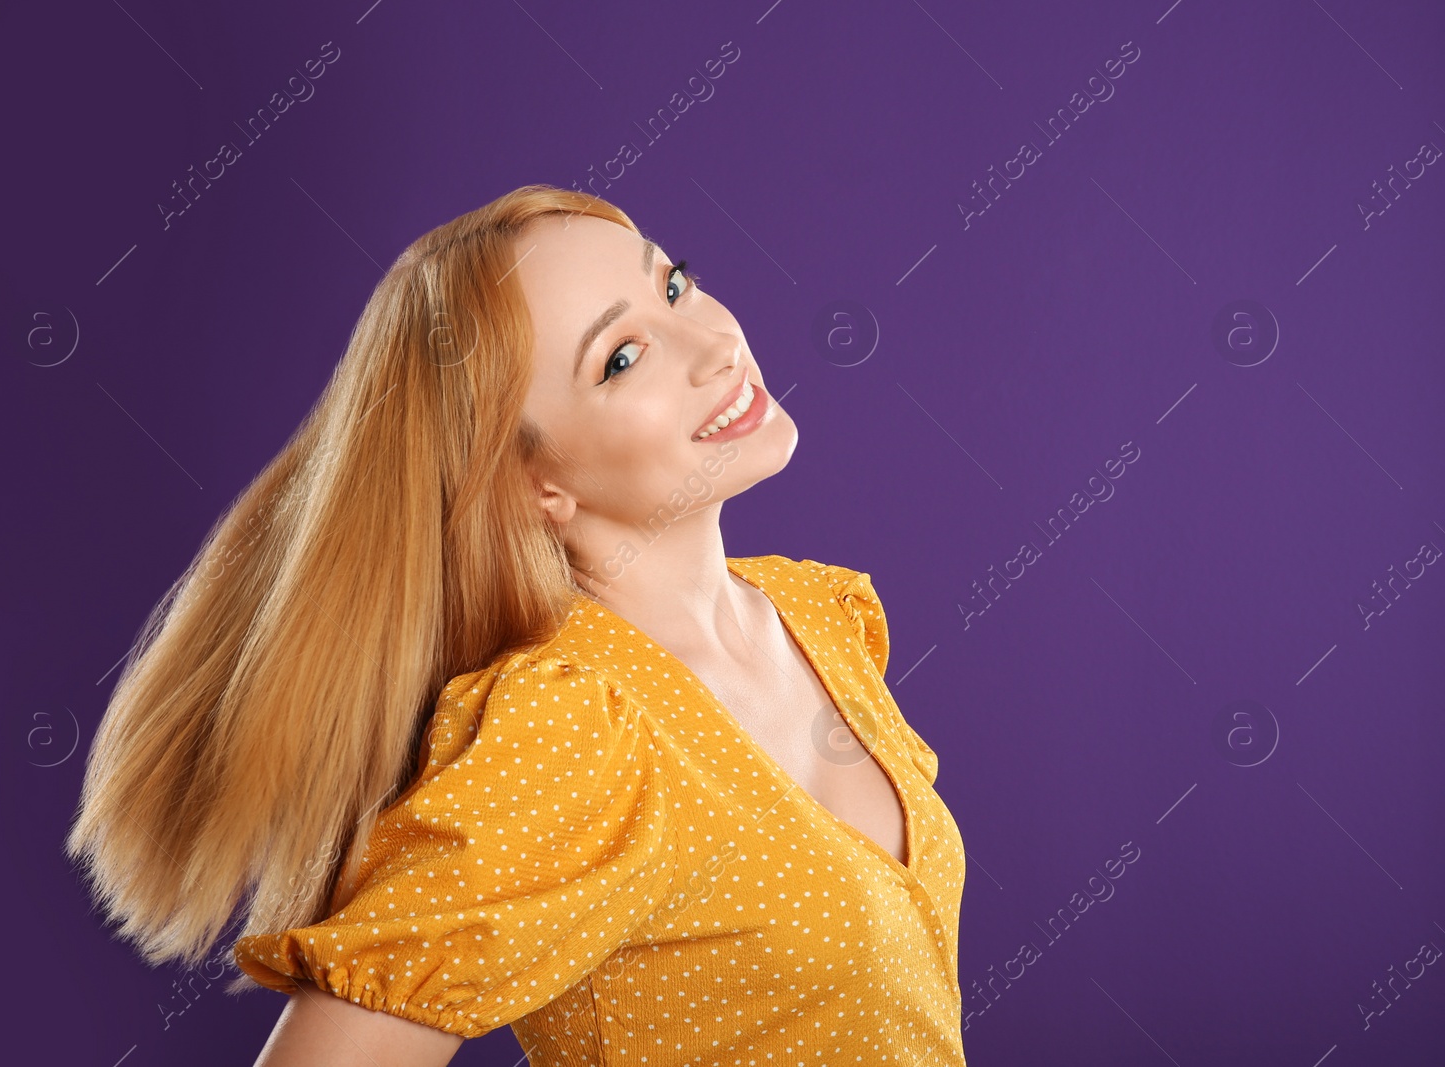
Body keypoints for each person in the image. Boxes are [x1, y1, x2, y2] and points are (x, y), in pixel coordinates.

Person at [65, 184, 966, 1065]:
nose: (713, 346)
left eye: (674, 285)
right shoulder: (571, 730)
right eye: (620, 358)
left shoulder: (817, 615)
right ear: (539, 486)